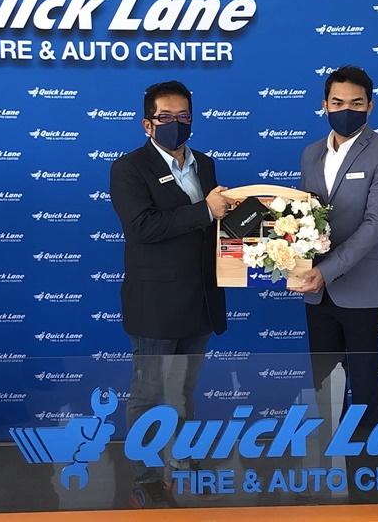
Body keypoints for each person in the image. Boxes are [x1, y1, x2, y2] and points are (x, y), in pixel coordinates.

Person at [109, 80, 231, 509]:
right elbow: (141, 227)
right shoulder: (129, 168)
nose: (175, 123)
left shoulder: (206, 164)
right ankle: (146, 478)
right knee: (147, 396)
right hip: (155, 304)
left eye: (184, 116)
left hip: (201, 299)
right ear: (148, 123)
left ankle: (182, 464)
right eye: (165, 117)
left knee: (182, 391)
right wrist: (205, 210)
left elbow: (216, 227)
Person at [289, 65, 378, 502]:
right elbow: (303, 218)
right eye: (337, 102)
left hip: (360, 286)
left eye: (356, 103)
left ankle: (367, 477)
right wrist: (292, 260)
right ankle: (326, 465)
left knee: (365, 381)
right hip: (315, 288)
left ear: (370, 106)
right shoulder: (310, 153)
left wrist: (328, 269)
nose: (346, 110)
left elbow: (376, 224)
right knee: (324, 382)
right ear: (324, 105)